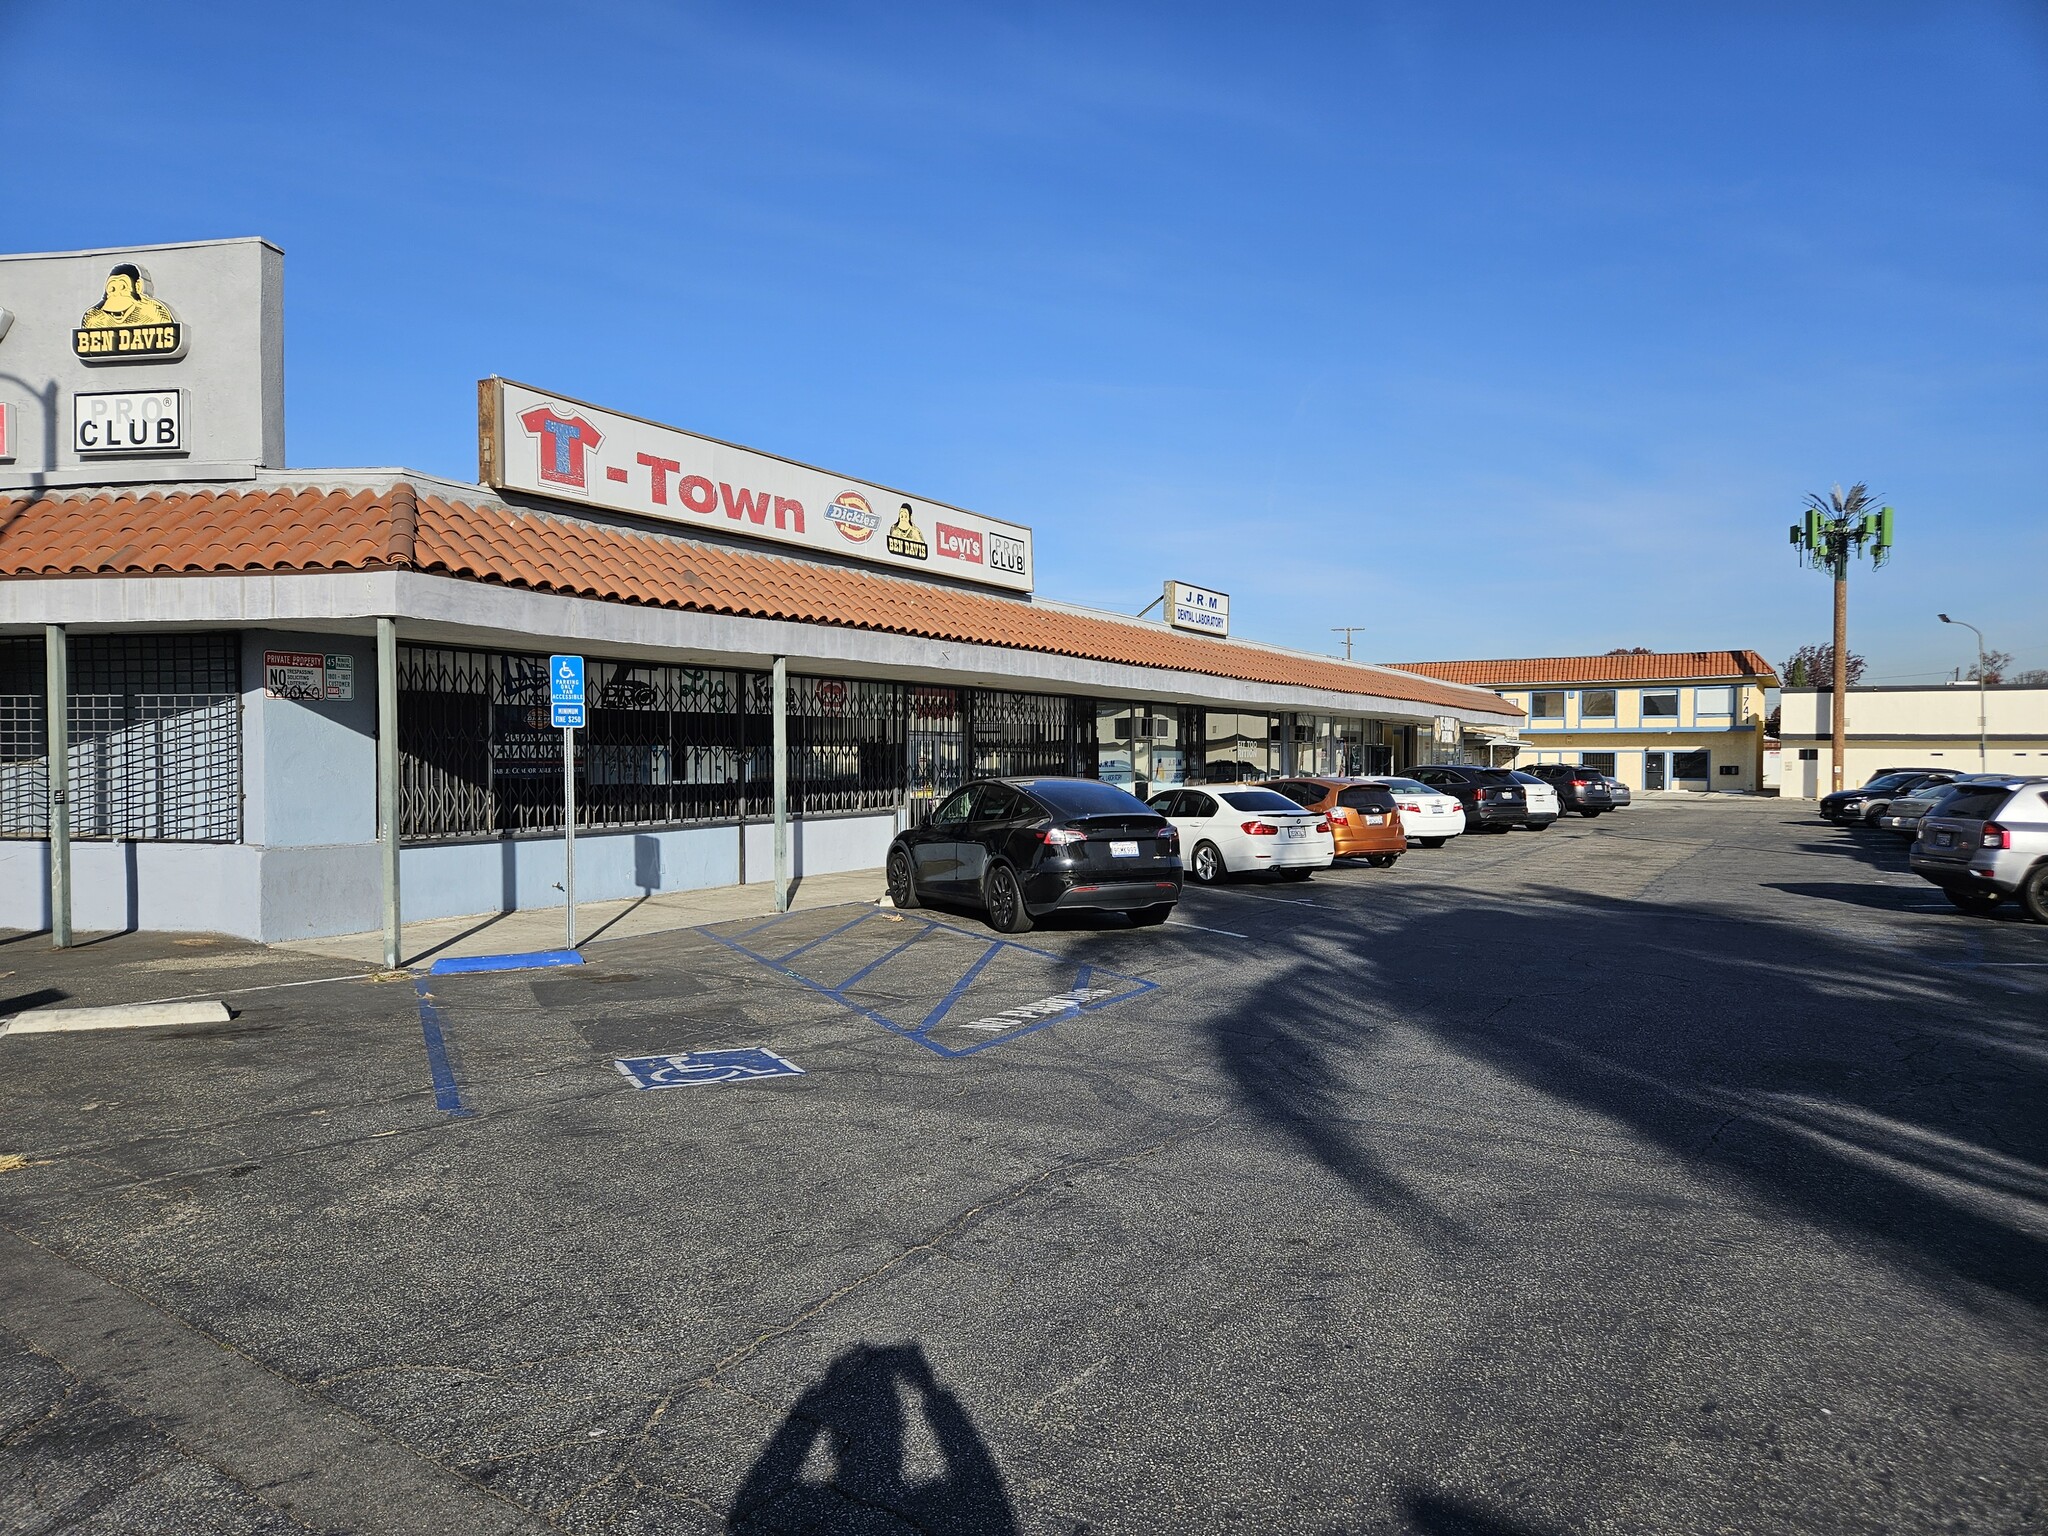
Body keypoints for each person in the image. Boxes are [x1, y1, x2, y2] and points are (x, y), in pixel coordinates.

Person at [80, 265, 175, 329]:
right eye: (112, 289)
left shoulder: (153, 311)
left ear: (138, 287)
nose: (117, 295)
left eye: (123, 288)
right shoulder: (93, 317)